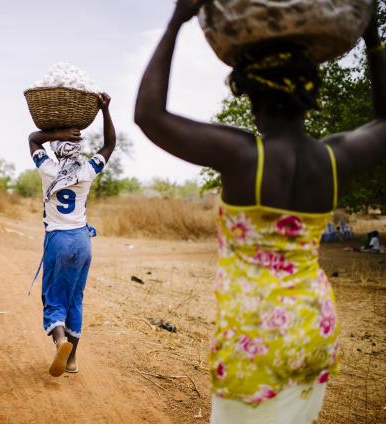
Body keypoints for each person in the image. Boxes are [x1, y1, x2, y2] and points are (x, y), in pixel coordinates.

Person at [134, 1, 385, 422]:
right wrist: (373, 37)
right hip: (313, 329)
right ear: (311, 93)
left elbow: (148, 115)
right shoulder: (335, 158)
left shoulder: (243, 155)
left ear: (250, 95)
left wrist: (176, 21)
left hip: (257, 340)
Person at [28, 93, 116, 377]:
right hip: (82, 240)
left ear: (56, 149)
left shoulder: (47, 169)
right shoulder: (88, 171)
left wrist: (58, 131)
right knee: (75, 298)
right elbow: (110, 144)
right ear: (76, 150)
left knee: (54, 298)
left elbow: (32, 138)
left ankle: (60, 342)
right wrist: (105, 110)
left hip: (58, 240)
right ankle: (73, 359)